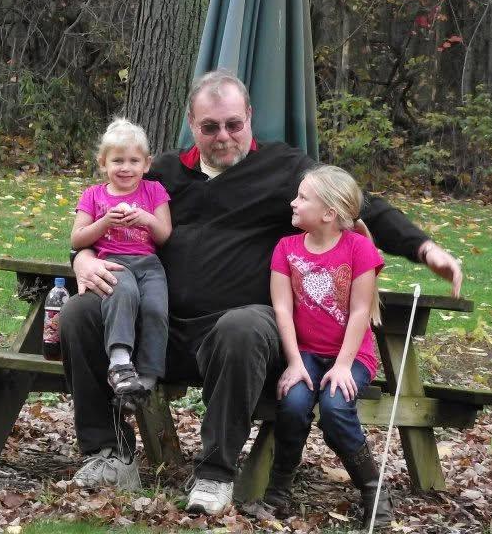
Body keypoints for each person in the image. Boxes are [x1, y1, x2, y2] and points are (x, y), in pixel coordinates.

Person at [61, 70, 463, 511]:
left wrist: (425, 249)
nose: (223, 137)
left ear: (250, 117)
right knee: (81, 313)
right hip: (159, 327)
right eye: (210, 127)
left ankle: (214, 474)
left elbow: (363, 205)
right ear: (192, 125)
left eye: (234, 124)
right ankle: (110, 453)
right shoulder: (161, 173)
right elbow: (101, 227)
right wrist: (81, 259)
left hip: (242, 335)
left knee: (243, 325)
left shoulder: (285, 169)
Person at [263, 164, 392, 525]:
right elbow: (282, 308)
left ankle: (373, 492)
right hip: (303, 354)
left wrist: (341, 365)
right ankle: (277, 493)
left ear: (329, 213)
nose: (293, 202)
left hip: (351, 356)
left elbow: (360, 311)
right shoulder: (286, 248)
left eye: (302, 197)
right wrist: (293, 362)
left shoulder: (358, 249)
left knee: (335, 408)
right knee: (293, 403)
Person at [70, 118, 171, 411]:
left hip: (149, 264)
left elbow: (164, 235)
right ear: (103, 163)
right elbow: (77, 239)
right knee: (122, 295)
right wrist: (104, 222)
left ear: (146, 164)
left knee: (155, 308)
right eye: (117, 161)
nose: (125, 168)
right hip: (112, 261)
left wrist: (146, 219)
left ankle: (147, 379)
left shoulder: (154, 192)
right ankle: (120, 363)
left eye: (133, 161)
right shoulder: (94, 195)